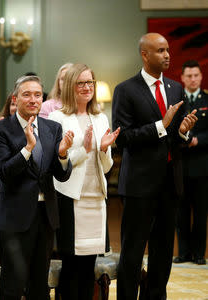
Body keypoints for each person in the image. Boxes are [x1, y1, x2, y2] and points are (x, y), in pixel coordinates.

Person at [112, 33, 197, 300]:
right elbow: (123, 138)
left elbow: (175, 139)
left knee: (162, 252)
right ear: (145, 55)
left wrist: (182, 131)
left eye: (168, 50)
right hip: (139, 185)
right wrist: (161, 125)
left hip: (170, 183)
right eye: (160, 51)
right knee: (133, 252)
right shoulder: (125, 90)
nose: (167, 55)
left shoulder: (174, 88)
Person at [0, 75, 73, 300]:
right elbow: (4, 172)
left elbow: (61, 174)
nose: (33, 99)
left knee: (39, 283)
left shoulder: (52, 127)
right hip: (16, 216)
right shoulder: (0, 129)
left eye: (37, 95)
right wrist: (27, 149)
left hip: (46, 215)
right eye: (27, 94)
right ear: (15, 98)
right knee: (14, 282)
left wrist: (63, 154)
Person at [48, 64, 120, 299]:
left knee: (89, 266)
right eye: (81, 83)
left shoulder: (100, 117)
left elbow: (107, 166)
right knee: (71, 265)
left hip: (96, 198)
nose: (87, 87)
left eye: (90, 82)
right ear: (70, 86)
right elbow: (57, 165)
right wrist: (83, 150)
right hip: (71, 198)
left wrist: (103, 149)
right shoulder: (57, 117)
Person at [174, 60, 208, 265]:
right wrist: (185, 139)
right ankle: (183, 252)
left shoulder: (207, 99)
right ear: (182, 78)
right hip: (181, 165)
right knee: (181, 213)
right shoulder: (177, 100)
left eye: (196, 75)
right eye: (189, 76)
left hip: (202, 166)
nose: (193, 79)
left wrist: (198, 140)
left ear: (201, 76)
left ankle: (198, 254)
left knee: (201, 213)